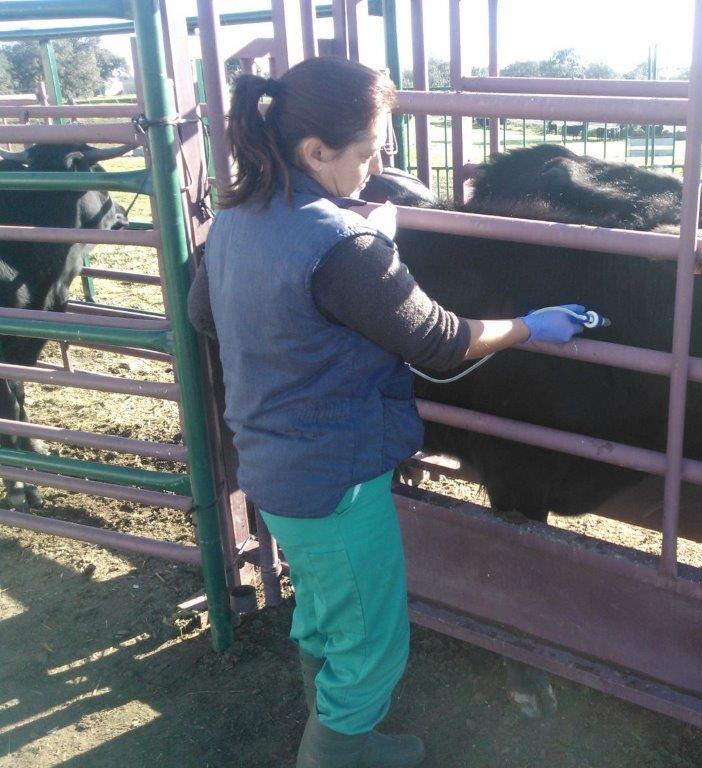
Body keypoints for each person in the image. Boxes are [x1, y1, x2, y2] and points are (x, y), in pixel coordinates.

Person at [187, 56, 587, 768]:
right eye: (369, 151)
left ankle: (357, 746)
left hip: (272, 468)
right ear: (316, 151)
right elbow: (441, 342)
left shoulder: (234, 222)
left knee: (323, 615)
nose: (377, 169)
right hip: (337, 479)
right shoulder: (344, 246)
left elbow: (204, 314)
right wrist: (529, 326)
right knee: (371, 649)